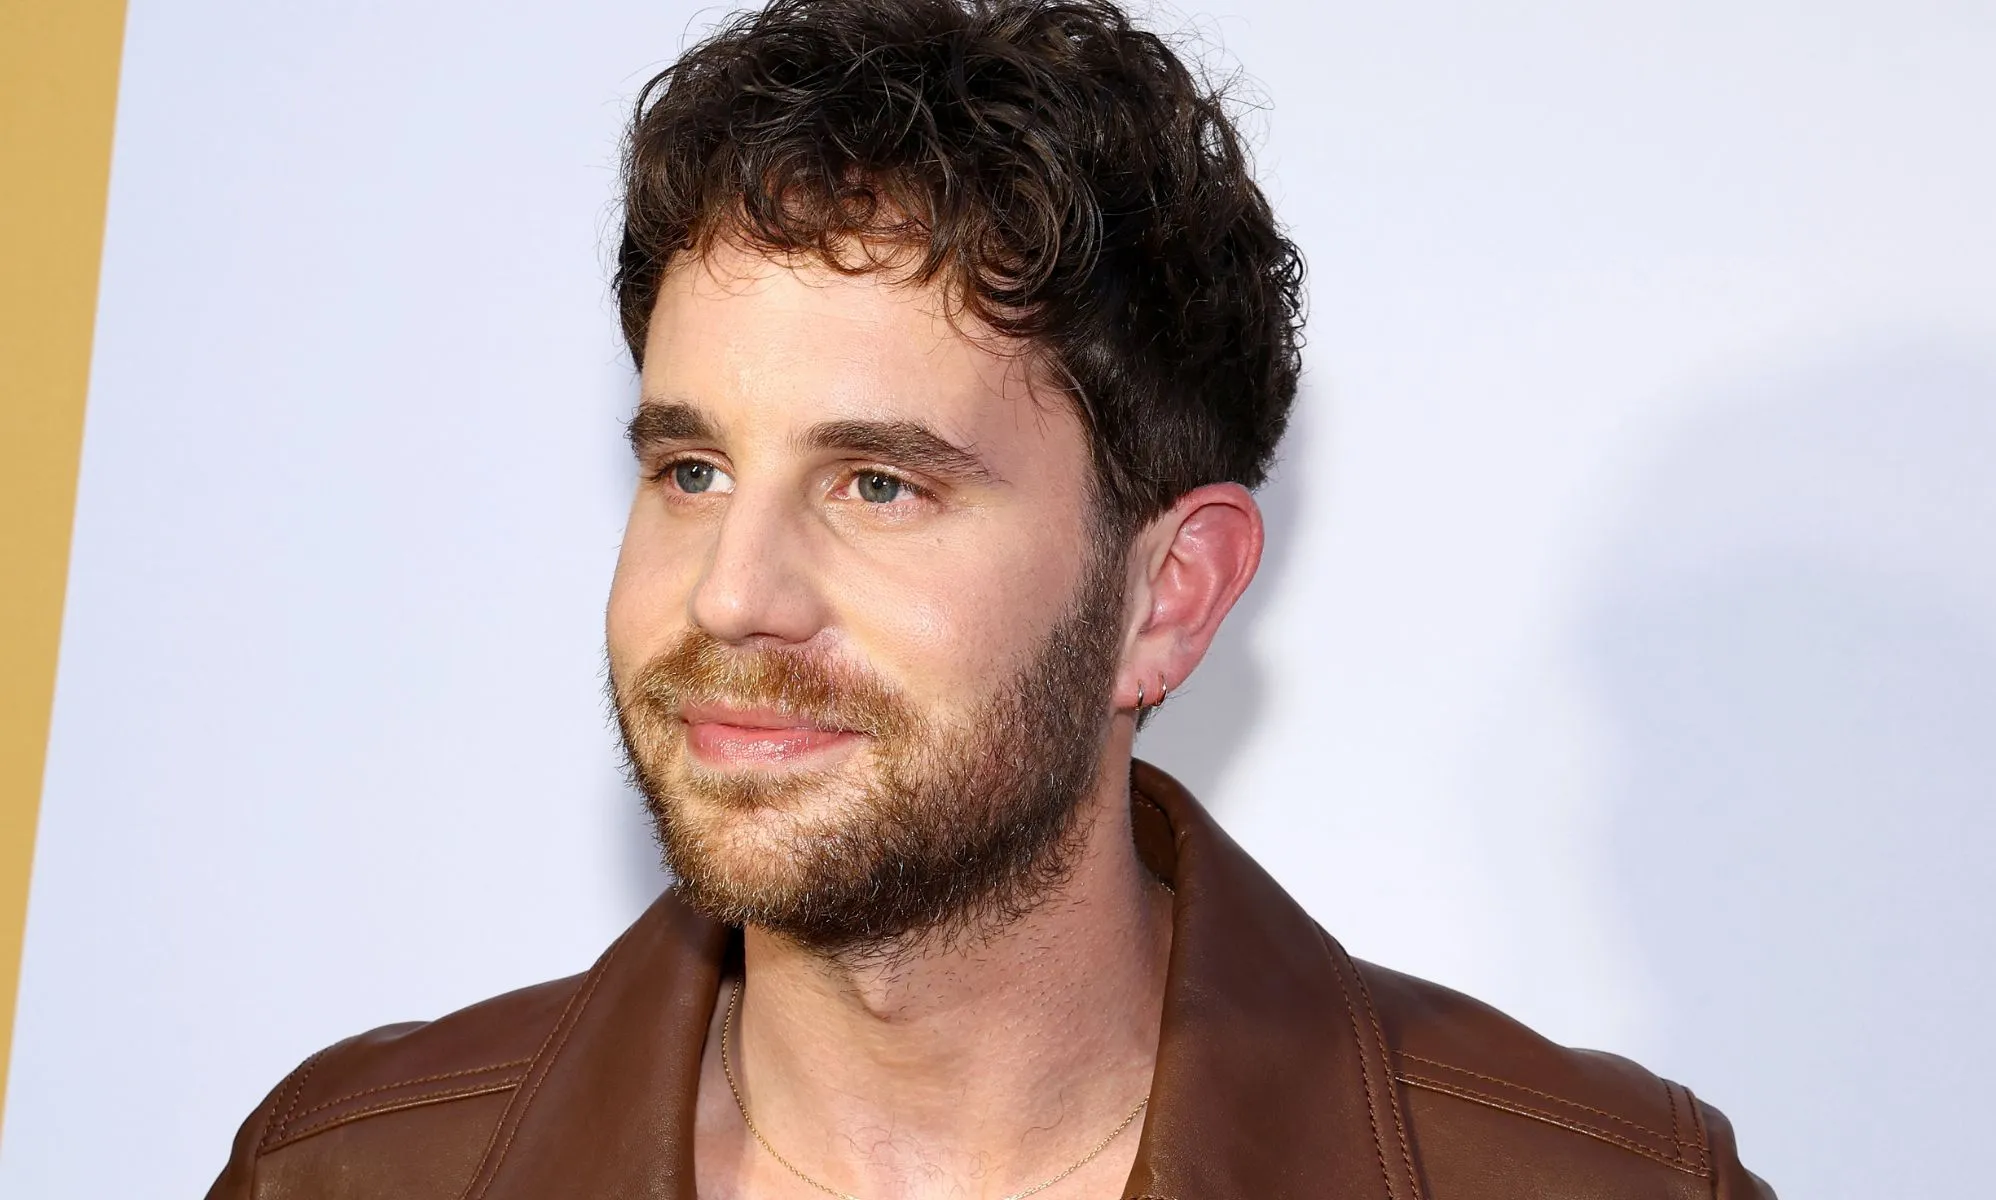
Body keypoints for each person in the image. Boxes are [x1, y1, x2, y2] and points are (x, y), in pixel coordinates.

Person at [207, 1, 1772, 1196]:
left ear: (1169, 595)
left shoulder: (1598, 1187)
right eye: (690, 472)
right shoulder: (348, 1174)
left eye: (879, 486)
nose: (734, 596)